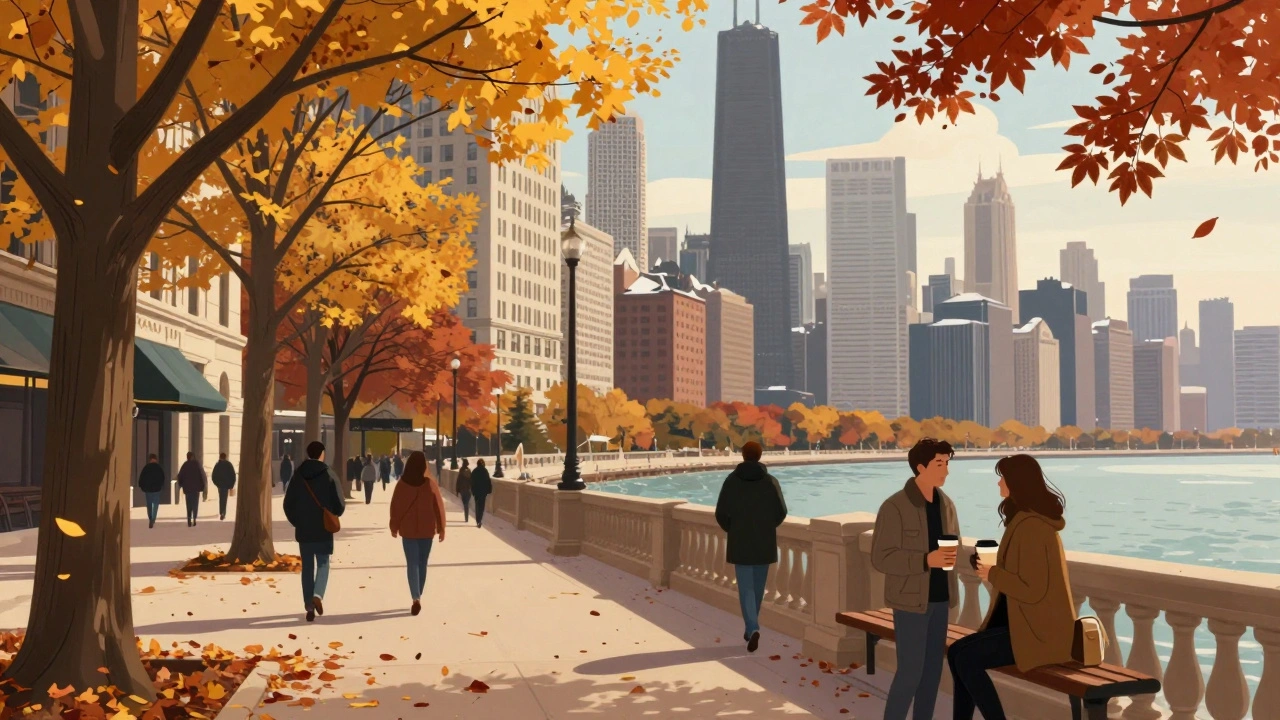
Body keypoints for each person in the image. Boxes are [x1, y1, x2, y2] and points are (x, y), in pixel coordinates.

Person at [949, 454, 1075, 720]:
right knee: (958, 652)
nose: (998, 483)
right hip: (1022, 627)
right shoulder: (1024, 521)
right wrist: (991, 571)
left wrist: (993, 572)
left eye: (1002, 477)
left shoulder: (1033, 528)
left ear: (1017, 482)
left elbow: (1033, 590)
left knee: (965, 658)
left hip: (1038, 634)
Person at [871, 438, 961, 720]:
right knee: (910, 672)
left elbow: (954, 548)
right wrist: (925, 560)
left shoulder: (948, 506)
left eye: (947, 463)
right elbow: (881, 557)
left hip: (941, 599)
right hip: (910, 603)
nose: (945, 470)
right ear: (920, 467)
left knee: (933, 673)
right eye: (939, 464)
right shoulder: (895, 507)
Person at [713, 441, 787, 654]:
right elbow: (781, 511)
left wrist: (733, 529)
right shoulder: (770, 481)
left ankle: (752, 627)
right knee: (757, 588)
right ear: (760, 456)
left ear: (743, 455)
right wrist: (765, 527)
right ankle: (751, 627)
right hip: (764, 542)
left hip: (741, 541)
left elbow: (720, 512)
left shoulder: (731, 481)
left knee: (745, 588)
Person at [283, 441, 346, 622]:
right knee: (324, 563)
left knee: (307, 568)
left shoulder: (298, 476)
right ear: (322, 454)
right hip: (323, 528)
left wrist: (298, 521)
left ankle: (309, 605)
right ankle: (318, 594)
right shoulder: (329, 474)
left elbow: (288, 504)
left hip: (304, 530)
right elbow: (340, 504)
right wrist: (333, 514)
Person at [389, 451, 447, 616]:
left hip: (408, 531)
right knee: (422, 563)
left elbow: (396, 508)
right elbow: (439, 507)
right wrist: (441, 528)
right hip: (427, 530)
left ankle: (415, 597)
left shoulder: (402, 484)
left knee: (412, 563)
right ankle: (418, 594)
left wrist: (394, 526)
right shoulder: (430, 484)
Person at [176, 451, 208, 527]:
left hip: (187, 488)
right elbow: (202, 475)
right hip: (196, 488)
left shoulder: (185, 465)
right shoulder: (197, 464)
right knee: (195, 504)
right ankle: (194, 518)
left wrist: (180, 485)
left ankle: (189, 518)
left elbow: (180, 476)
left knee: (188, 504)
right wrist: (203, 486)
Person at [137, 454, 167, 529]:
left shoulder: (146, 468)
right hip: (157, 489)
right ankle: (153, 518)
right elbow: (163, 478)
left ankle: (150, 518)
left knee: (149, 504)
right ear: (156, 459)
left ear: (149, 459)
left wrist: (142, 486)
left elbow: (141, 478)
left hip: (148, 489)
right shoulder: (159, 468)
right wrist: (161, 485)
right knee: (155, 504)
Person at [212, 452, 237, 520]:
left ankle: (222, 512)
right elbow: (233, 475)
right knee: (224, 499)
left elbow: (213, 476)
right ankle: (223, 512)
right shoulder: (229, 465)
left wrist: (217, 484)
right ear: (225, 457)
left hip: (220, 485)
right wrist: (231, 485)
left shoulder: (217, 465)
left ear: (220, 457)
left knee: (221, 498)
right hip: (226, 485)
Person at [470, 458, 492, 528]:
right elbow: (488, 481)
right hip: (483, 492)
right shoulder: (485, 471)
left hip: (476, 492)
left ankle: (478, 520)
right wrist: (489, 490)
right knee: (482, 507)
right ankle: (480, 519)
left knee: (477, 506)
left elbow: (471, 482)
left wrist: (473, 491)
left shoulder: (474, 471)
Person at [455, 458, 473, 523]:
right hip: (468, 490)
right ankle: (466, 517)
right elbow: (472, 481)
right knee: (467, 503)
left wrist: (457, 490)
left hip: (462, 490)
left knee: (464, 503)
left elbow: (458, 480)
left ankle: (466, 515)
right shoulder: (469, 471)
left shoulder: (461, 470)